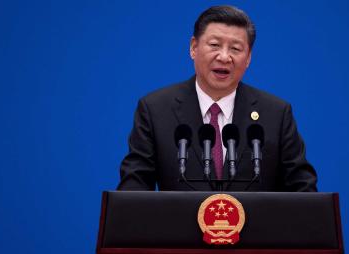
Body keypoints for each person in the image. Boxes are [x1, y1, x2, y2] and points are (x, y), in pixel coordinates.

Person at [117, 5, 317, 192]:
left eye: (236, 49)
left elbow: (303, 189)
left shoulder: (276, 113)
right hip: (178, 230)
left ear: (248, 58)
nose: (224, 56)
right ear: (193, 48)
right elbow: (134, 189)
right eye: (214, 45)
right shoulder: (155, 110)